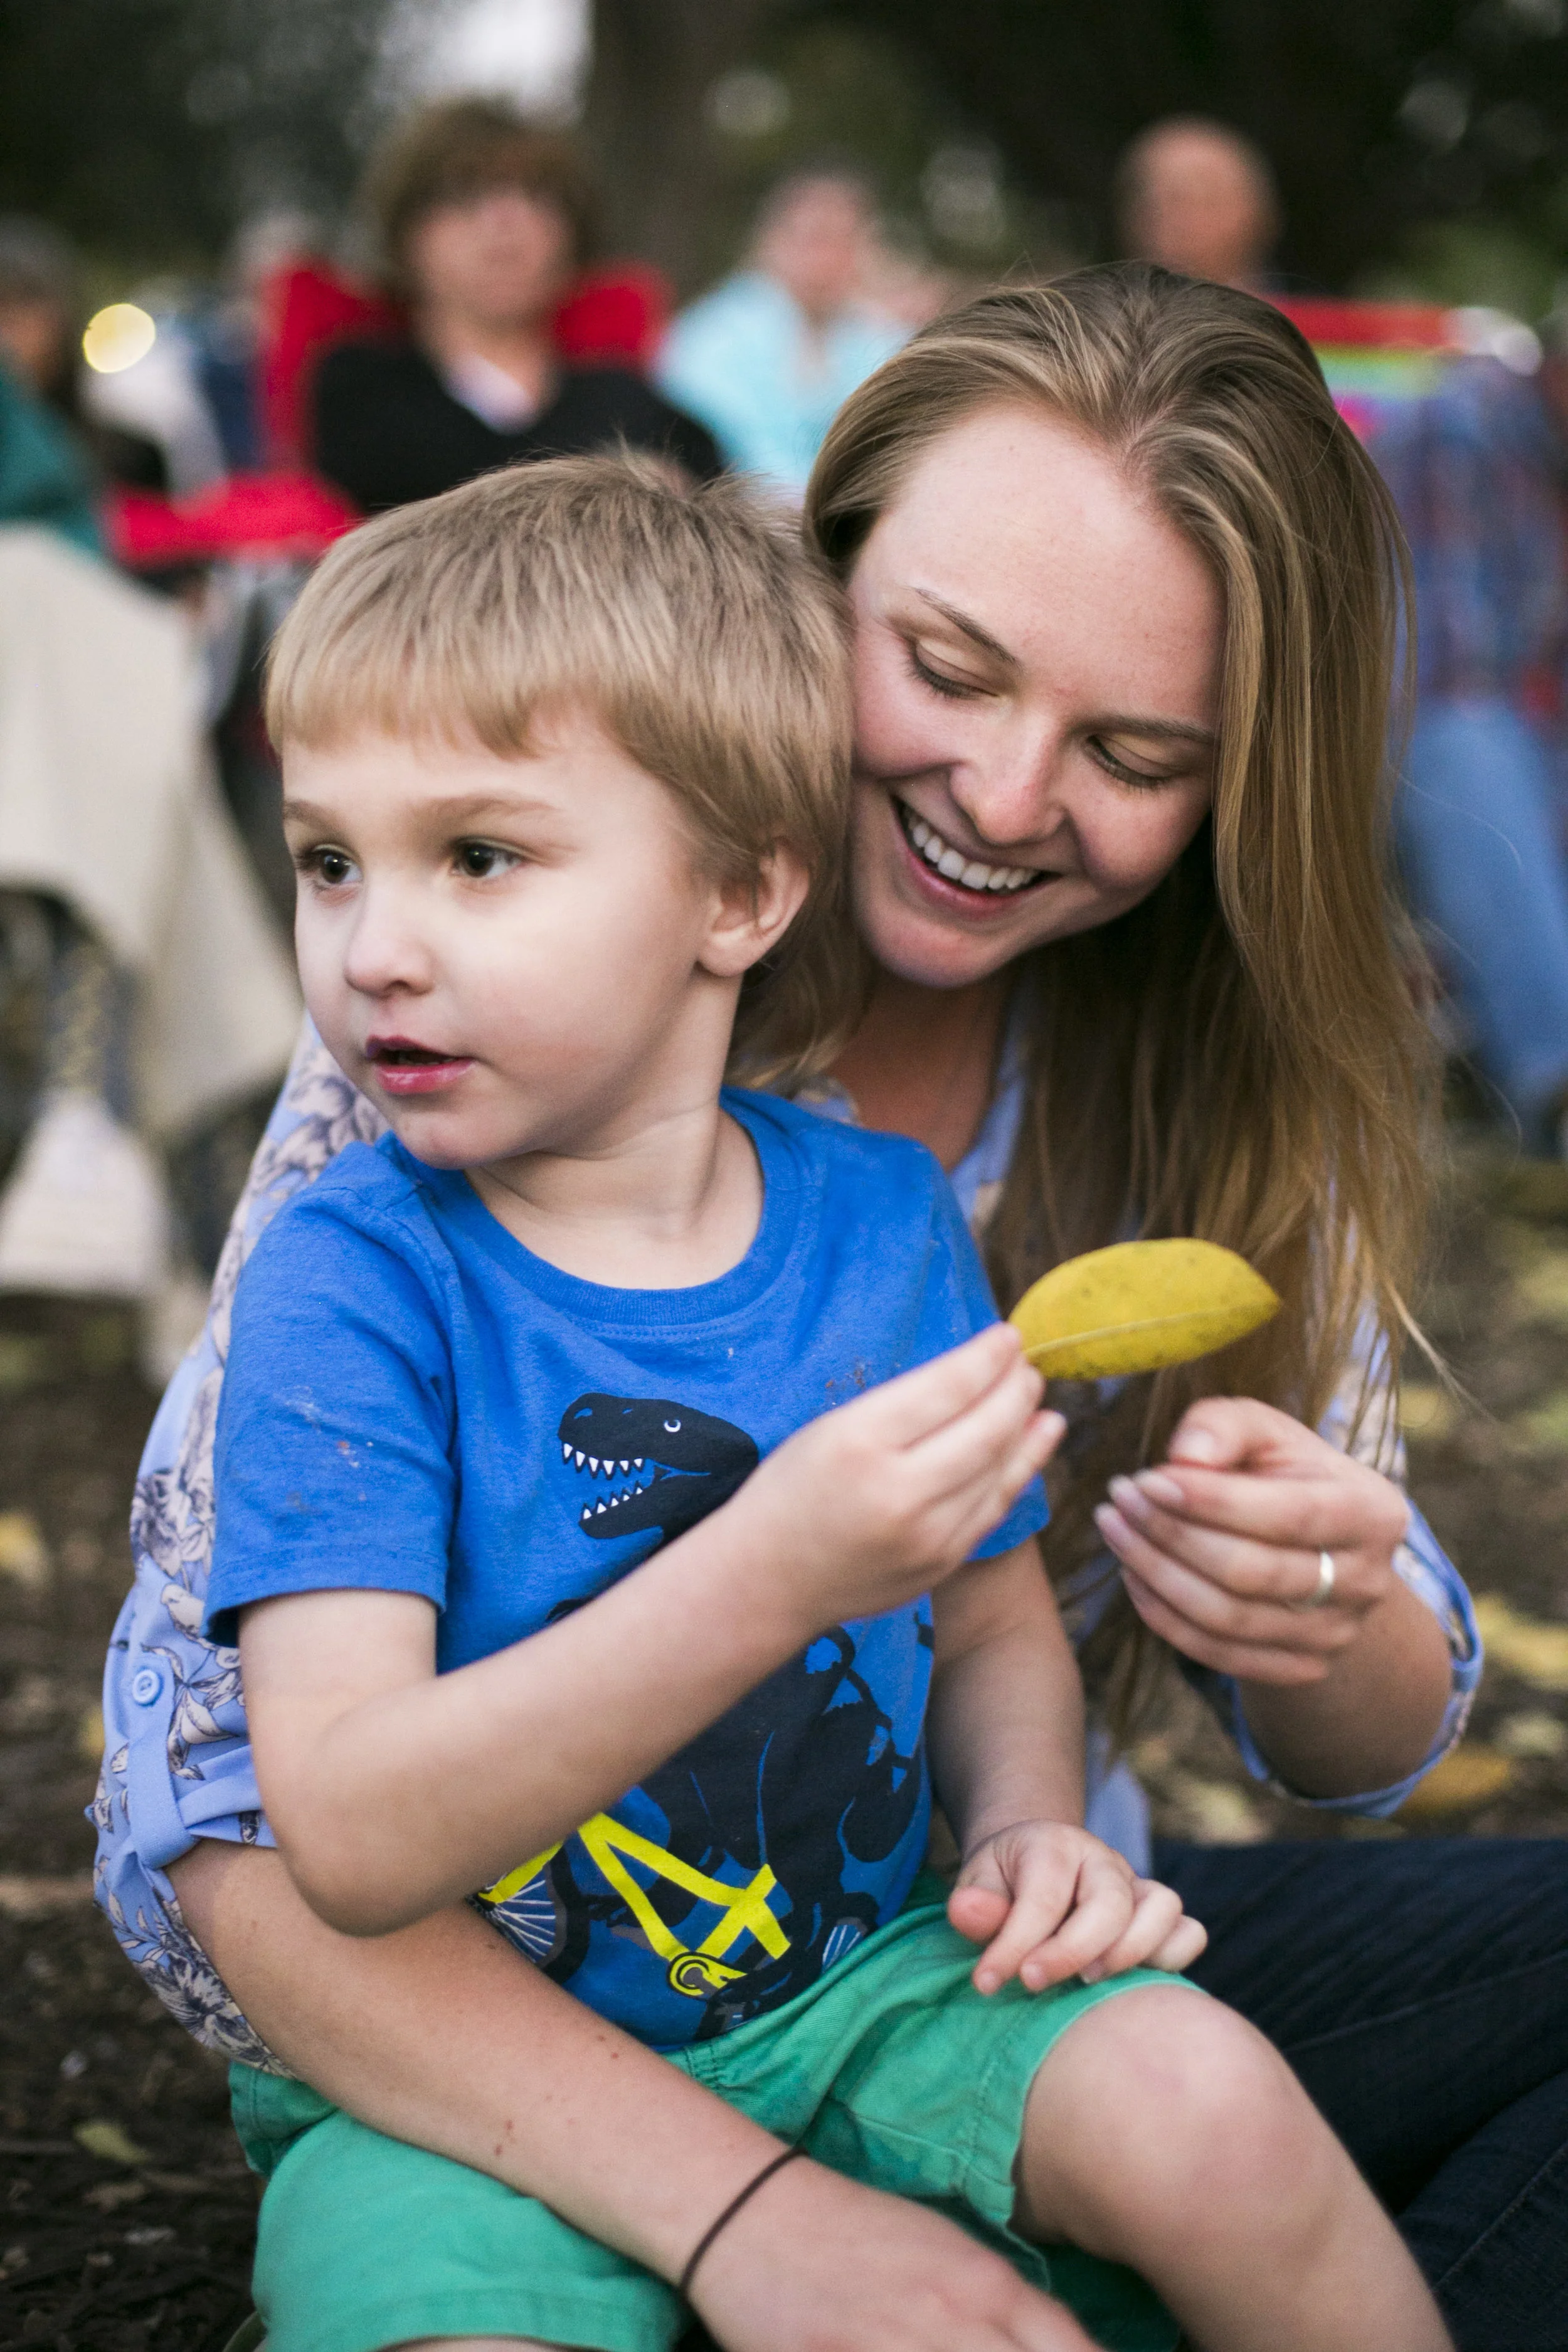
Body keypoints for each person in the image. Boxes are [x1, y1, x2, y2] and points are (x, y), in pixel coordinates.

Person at [95, 272, 1564, 2351]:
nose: (1003, 789)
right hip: (507, 2050)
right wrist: (754, 2219)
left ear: (1239, 782)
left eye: (1137, 751)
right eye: (947, 667)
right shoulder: (468, 1026)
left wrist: (1330, 1618)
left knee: (1222, 2125)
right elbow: (248, 1821)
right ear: (822, 580)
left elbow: (1295, 1722)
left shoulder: (1033, 1152)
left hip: (922, 1962)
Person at [309, 98, 719, 514]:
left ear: (572, 235)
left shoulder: (627, 399)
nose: (506, 221)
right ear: (407, 233)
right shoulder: (362, 383)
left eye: (537, 197)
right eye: (466, 195)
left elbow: (715, 488)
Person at [1373, 336, 1568, 1148]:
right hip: (1390, 764)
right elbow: (1437, 674)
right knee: (1469, 743)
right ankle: (1556, 1084)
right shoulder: (1456, 428)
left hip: (1513, 760)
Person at [656, 167, 906, 500]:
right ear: (772, 240)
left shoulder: (880, 338)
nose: (831, 258)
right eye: (817, 238)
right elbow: (721, 454)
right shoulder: (709, 339)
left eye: (848, 240)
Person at [1115, 118, 1279, 292]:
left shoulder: (1301, 315)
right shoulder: (1102, 316)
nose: (1176, 221)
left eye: (1205, 198)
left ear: (1259, 215)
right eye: (1152, 202)